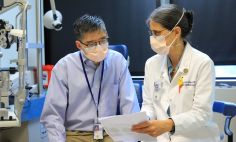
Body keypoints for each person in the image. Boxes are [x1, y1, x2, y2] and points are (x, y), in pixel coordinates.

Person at [40, 14, 140, 142]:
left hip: (111, 133)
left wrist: (129, 139)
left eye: (103, 40)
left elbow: (129, 105)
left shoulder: (118, 61)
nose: (99, 47)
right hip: (76, 135)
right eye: (91, 44)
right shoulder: (64, 67)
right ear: (79, 45)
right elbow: (53, 115)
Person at [131, 4, 220, 142]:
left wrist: (168, 124)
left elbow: (202, 114)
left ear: (176, 32)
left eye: (157, 33)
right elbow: (148, 104)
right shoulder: (151, 64)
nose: (152, 38)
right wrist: (146, 120)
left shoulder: (202, 63)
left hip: (194, 138)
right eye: (151, 33)